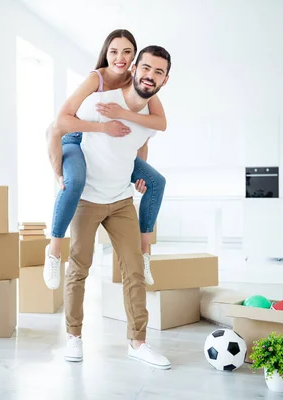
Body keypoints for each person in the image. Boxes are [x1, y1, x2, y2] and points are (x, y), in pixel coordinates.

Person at [61, 45, 173, 369]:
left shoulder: (151, 119)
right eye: (147, 68)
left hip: (121, 200)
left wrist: (138, 176)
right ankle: (73, 336)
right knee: (79, 268)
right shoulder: (100, 102)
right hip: (87, 199)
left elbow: (142, 143)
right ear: (135, 67)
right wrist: (61, 171)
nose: (150, 76)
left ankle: (137, 343)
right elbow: (63, 128)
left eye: (159, 72)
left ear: (165, 79)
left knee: (134, 272)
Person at [43, 29, 167, 290]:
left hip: (111, 148)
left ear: (134, 60)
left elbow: (153, 128)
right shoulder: (96, 78)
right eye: (113, 51)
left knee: (156, 181)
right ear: (105, 53)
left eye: (126, 52)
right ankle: (54, 249)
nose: (119, 58)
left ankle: (145, 253)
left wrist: (138, 170)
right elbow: (61, 121)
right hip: (77, 138)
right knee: (74, 181)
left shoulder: (140, 82)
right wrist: (103, 128)